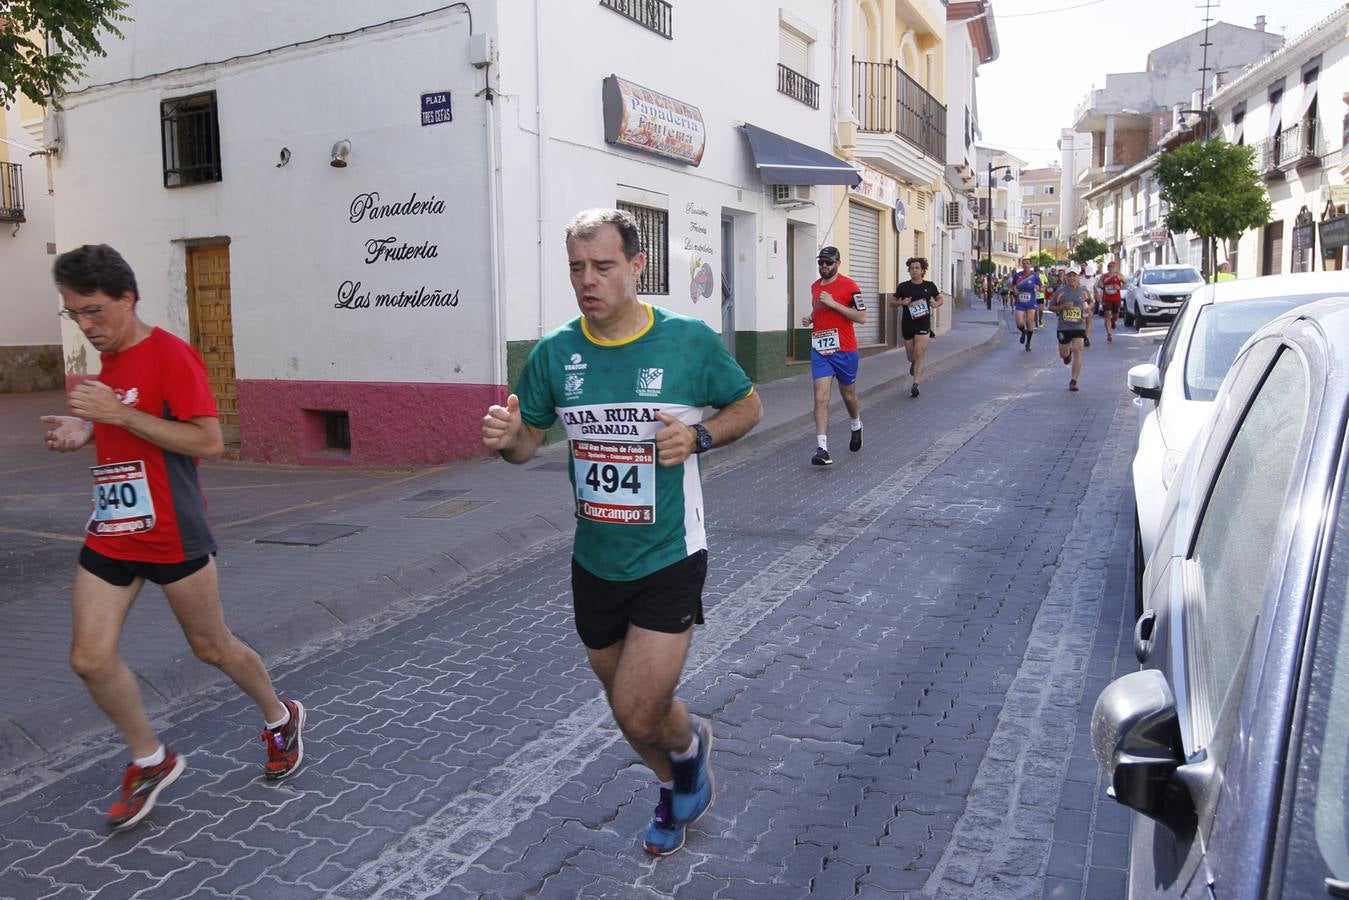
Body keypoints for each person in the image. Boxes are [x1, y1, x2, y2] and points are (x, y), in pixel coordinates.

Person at [480, 208, 762, 856]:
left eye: (602, 266)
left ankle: (677, 775)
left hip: (668, 555)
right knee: (630, 708)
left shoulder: (686, 341)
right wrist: (507, 439)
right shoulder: (555, 353)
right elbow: (527, 443)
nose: (588, 279)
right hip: (594, 561)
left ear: (637, 266)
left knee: (636, 709)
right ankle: (682, 765)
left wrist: (698, 436)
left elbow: (748, 404)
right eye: (576, 268)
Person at [40, 244, 304, 832]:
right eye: (73, 313)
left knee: (212, 648)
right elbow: (125, 415)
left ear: (127, 299)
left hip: (171, 532)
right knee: (89, 657)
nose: (86, 325)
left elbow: (208, 442)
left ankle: (280, 716)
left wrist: (116, 414)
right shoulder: (106, 357)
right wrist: (86, 428)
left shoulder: (171, 356)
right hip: (113, 528)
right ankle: (150, 759)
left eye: (94, 311)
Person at [802, 246, 866, 465]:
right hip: (821, 350)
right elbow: (819, 310)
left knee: (848, 396)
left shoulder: (850, 286)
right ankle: (822, 449)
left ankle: (856, 423)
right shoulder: (814, 287)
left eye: (828, 263)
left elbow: (862, 317)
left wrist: (834, 303)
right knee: (820, 397)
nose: (824, 267)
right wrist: (811, 318)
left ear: (838, 263)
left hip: (845, 351)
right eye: (821, 263)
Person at [890, 257, 944, 398]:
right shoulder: (903, 287)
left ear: (923, 270)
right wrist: (902, 302)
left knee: (919, 353)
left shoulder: (930, 286)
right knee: (911, 356)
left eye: (917, 268)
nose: (914, 270)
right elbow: (892, 302)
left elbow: (940, 298)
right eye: (911, 268)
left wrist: (936, 304)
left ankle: (916, 384)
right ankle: (913, 363)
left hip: (923, 325)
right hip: (907, 325)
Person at [1048, 268, 1092, 391]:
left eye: (1074, 276)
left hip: (1079, 326)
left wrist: (1088, 309)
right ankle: (1067, 355)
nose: (1072, 278)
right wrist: (1062, 307)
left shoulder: (1084, 291)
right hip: (1064, 327)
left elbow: (1091, 303)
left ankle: (1074, 380)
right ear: (1066, 278)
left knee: (1078, 349)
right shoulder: (1060, 292)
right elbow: (1050, 307)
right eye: (1070, 276)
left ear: (1078, 277)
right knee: (1063, 354)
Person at [1010, 258, 1043, 351]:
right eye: (1024, 264)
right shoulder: (1017, 275)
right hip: (1020, 302)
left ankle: (1028, 342)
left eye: (1028, 263)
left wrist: (1039, 288)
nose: (1026, 265)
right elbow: (1012, 285)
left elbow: (1042, 288)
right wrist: (1014, 290)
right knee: (1019, 323)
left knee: (1029, 321)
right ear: (1022, 265)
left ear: (1030, 265)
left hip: (1031, 302)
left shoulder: (1035, 276)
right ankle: (1023, 331)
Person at [1096, 260, 1125, 342]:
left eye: (1112, 267)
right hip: (1107, 298)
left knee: (1115, 316)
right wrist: (1102, 286)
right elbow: (1099, 284)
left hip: (1116, 298)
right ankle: (1109, 334)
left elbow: (1125, 283)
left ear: (1115, 268)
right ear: (1108, 268)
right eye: (1109, 267)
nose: (1111, 269)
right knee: (1107, 315)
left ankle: (1113, 321)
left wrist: (1120, 287)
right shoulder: (1104, 276)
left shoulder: (1119, 275)